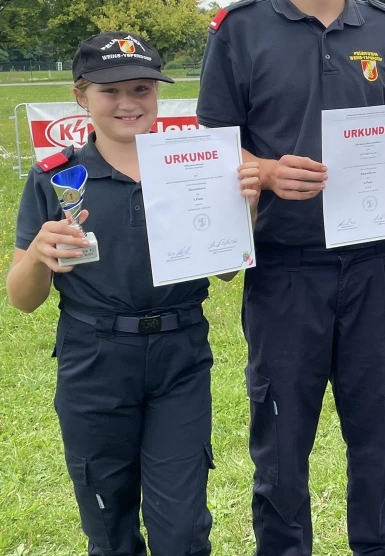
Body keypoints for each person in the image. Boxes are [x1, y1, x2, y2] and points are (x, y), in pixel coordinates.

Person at [196, 0, 385, 556]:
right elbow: (209, 161)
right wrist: (268, 173)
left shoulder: (384, 30)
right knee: (281, 444)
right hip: (285, 271)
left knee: (377, 436)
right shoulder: (240, 31)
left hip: (372, 268)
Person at [7, 31, 259, 556]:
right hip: (94, 360)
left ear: (158, 95)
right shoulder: (55, 178)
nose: (128, 103)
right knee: (109, 522)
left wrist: (244, 211)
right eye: (110, 91)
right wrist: (38, 254)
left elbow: (227, 273)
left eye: (142, 89)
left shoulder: (194, 167)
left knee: (183, 527)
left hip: (179, 356)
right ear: (81, 96)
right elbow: (23, 298)